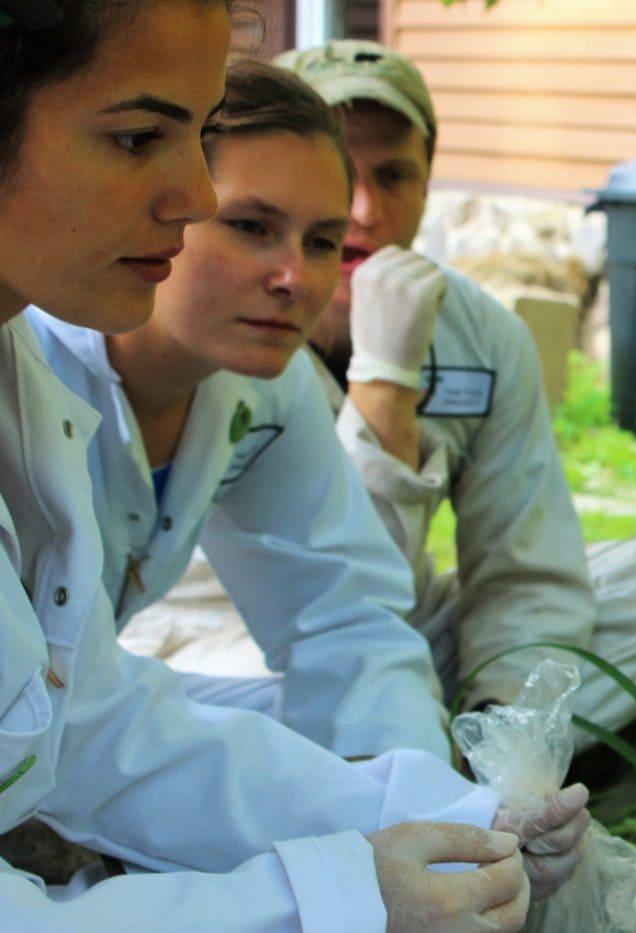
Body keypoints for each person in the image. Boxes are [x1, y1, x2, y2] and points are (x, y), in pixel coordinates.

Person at [0, 3, 582, 927]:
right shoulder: (50, 352)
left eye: (321, 239)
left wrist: (444, 812)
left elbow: (335, 613)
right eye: (140, 136)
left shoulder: (34, 378)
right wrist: (327, 896)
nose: (190, 196)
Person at [129, 38, 636, 736]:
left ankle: (463, 752)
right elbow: (328, 586)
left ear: (429, 184)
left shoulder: (480, 334)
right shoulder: (224, 323)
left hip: (401, 628)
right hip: (220, 650)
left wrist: (513, 726)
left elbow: (524, 569)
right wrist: (386, 376)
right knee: (285, 707)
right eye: (255, 224)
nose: (363, 208)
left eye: (394, 176)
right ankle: (403, 756)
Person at [30, 57, 451, 762]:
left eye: (322, 242)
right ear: (168, 208)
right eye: (252, 225)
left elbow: (344, 617)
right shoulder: (31, 359)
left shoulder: (265, 381)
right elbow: (67, 710)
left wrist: (429, 805)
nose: (295, 278)